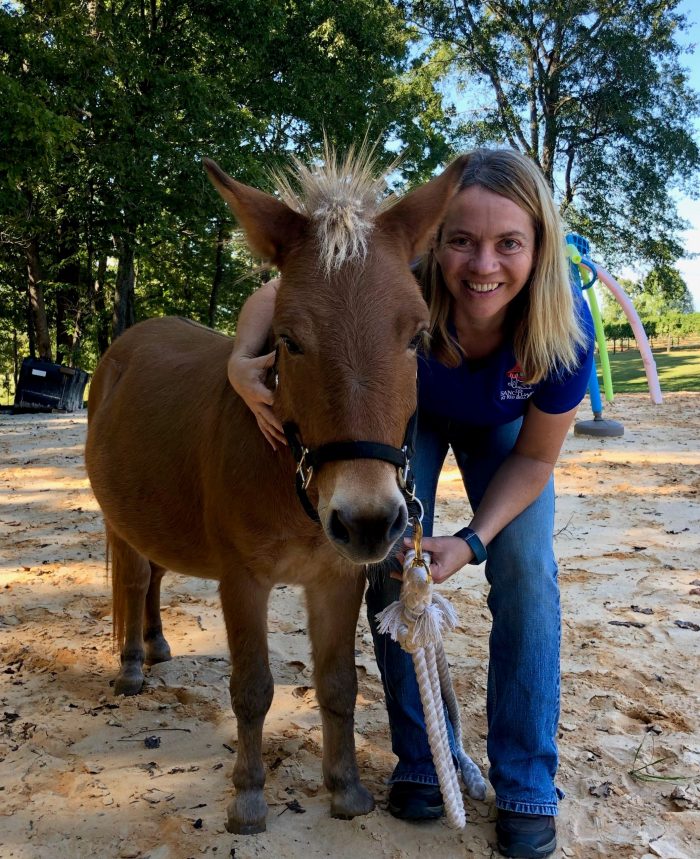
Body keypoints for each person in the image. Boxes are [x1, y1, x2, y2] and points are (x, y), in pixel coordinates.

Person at [227, 149, 594, 859]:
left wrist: (474, 539)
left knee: (526, 569)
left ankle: (525, 782)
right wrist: (241, 359)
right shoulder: (396, 270)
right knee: (391, 555)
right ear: (436, 240)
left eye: (508, 243)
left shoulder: (562, 327)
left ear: (538, 245)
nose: (482, 264)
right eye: (462, 240)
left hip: (504, 429)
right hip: (412, 414)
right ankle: (423, 758)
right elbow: (279, 294)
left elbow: (537, 459)